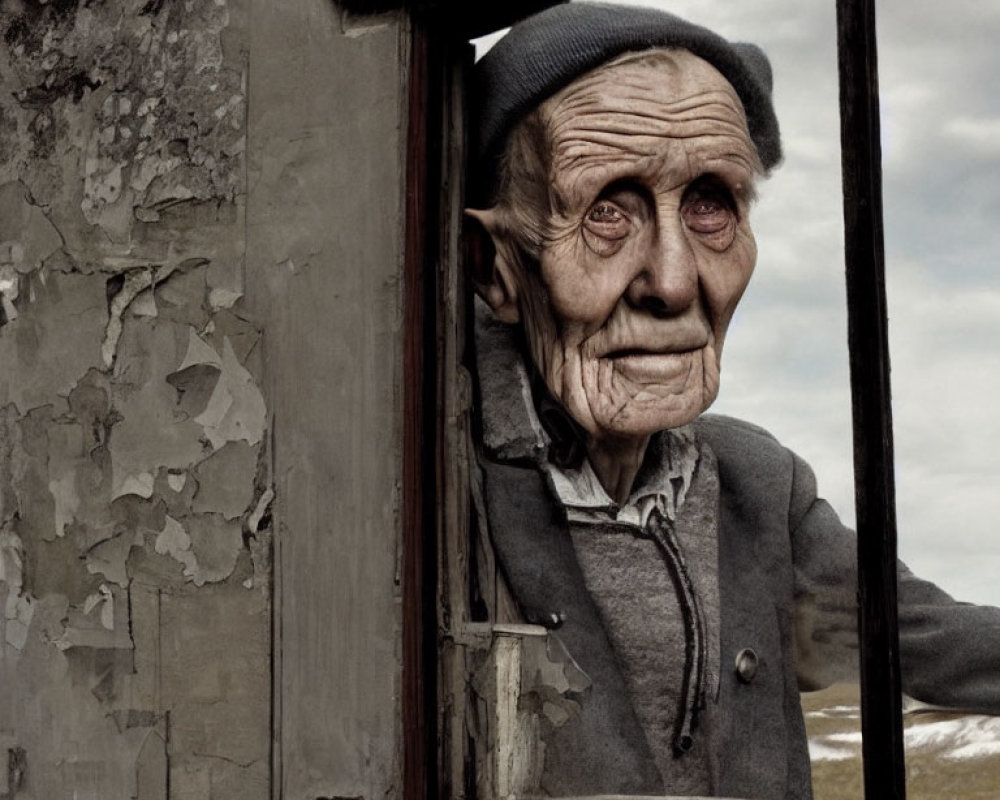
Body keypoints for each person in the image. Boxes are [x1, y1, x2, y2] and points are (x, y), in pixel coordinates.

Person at [464, 3, 1000, 798]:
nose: (674, 283)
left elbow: (935, 643)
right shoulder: (438, 484)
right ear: (496, 268)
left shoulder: (754, 482)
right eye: (608, 209)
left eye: (711, 204)